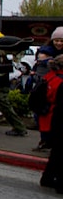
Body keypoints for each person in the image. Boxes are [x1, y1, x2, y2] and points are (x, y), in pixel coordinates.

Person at [38, 55, 63, 191]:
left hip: (51, 118)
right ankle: (59, 183)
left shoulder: (50, 77)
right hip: (56, 118)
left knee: (56, 152)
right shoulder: (59, 81)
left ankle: (48, 178)